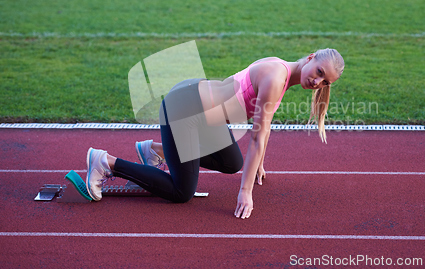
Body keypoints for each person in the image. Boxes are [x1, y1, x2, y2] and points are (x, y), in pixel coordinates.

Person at [85, 48, 344, 219]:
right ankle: (106, 162)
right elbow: (257, 135)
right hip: (184, 109)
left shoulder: (283, 72)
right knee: (181, 192)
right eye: (320, 73)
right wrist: (245, 190)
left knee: (232, 163)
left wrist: (259, 163)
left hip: (201, 110)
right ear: (311, 57)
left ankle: (156, 151)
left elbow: (263, 126)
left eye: (325, 82)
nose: (318, 83)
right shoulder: (277, 78)